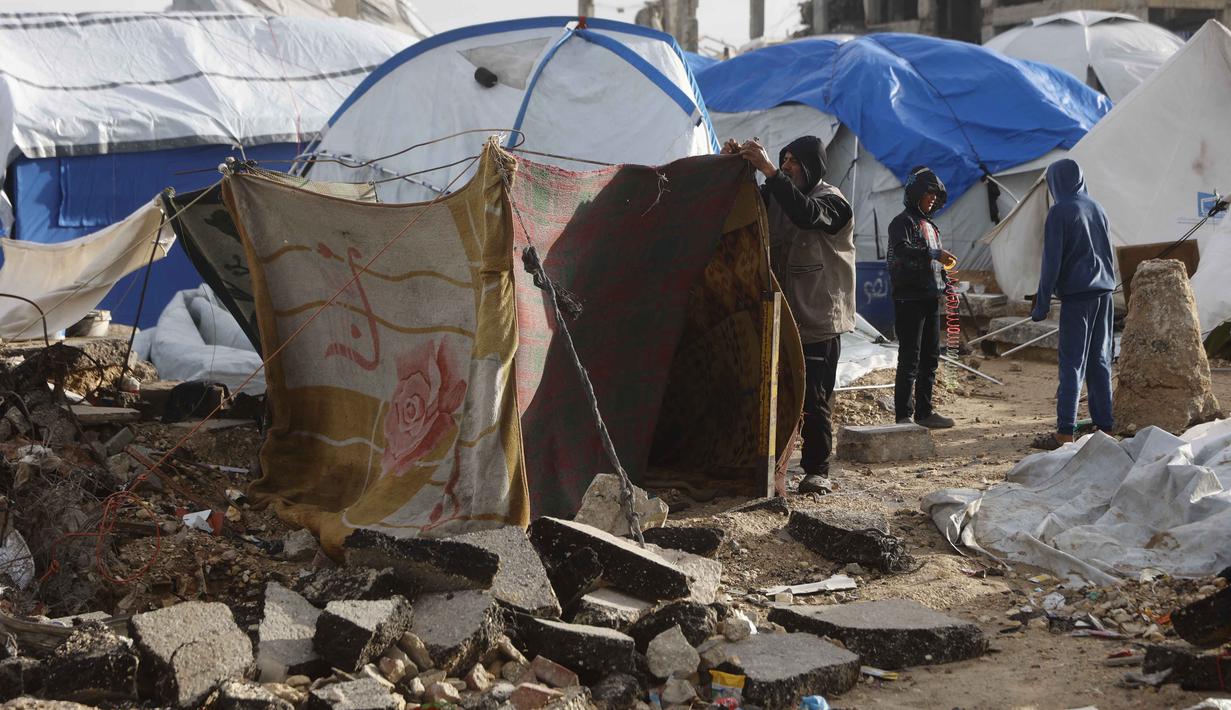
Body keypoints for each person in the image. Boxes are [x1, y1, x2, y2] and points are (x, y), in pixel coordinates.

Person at [723, 136, 854, 494]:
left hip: (818, 319)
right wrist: (733, 167)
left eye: (794, 161)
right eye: (784, 160)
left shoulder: (833, 201)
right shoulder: (779, 196)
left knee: (813, 398)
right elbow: (743, 207)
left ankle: (817, 471)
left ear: (813, 165)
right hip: (780, 318)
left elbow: (808, 215)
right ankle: (772, 468)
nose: (786, 166)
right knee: (772, 394)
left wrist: (768, 171)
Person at [1030, 158, 1115, 449]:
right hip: (1104, 293)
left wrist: (1041, 302)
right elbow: (1107, 253)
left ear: (1055, 181)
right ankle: (1105, 427)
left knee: (1072, 364)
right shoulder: (1097, 207)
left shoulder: (1059, 211)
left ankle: (1065, 432)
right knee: (1100, 361)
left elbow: (1051, 262)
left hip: (1078, 297)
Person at [886, 166, 956, 429]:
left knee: (930, 357)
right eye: (929, 194)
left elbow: (932, 263)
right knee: (910, 358)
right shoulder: (902, 223)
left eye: (936, 197)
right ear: (916, 193)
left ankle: (924, 412)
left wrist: (945, 282)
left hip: (929, 298)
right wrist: (934, 254)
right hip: (909, 299)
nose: (933, 200)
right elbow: (903, 252)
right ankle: (903, 415)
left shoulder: (931, 226)